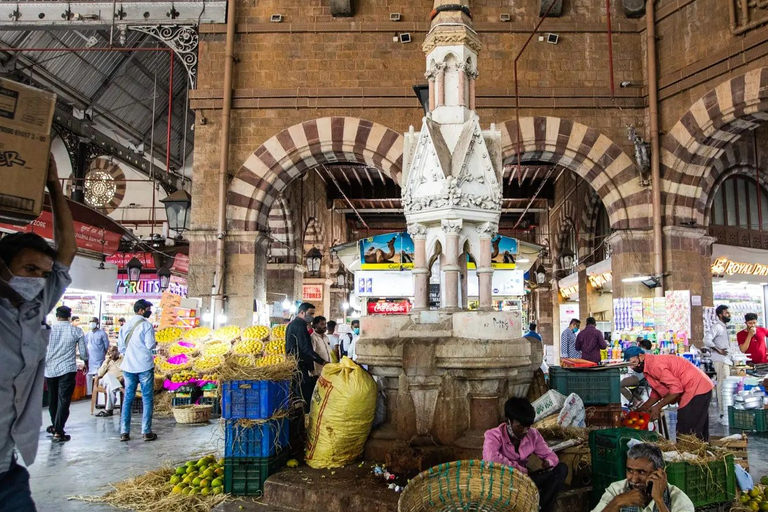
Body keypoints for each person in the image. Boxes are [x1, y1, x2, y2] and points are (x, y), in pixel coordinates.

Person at [0, 154, 76, 512]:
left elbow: (67, 251)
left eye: (42, 274)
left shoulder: (33, 310)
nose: (37, 280)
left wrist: (54, 186)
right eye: (29, 268)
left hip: (6, 471)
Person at [483, 397, 568, 512]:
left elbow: (551, 456)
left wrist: (548, 462)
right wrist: (520, 470)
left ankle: (541, 508)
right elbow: (491, 459)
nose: (524, 431)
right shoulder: (493, 435)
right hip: (503, 483)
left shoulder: (533, 434)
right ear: (509, 421)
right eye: (520, 427)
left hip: (526, 482)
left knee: (561, 469)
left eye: (527, 427)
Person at [624, 346, 714, 441]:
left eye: (633, 363)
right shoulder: (648, 365)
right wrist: (644, 407)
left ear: (641, 357)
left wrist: (658, 407)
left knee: (686, 430)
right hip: (700, 386)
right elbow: (658, 389)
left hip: (696, 388)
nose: (632, 367)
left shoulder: (654, 365)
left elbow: (676, 389)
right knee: (696, 427)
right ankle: (699, 452)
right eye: (630, 365)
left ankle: (690, 453)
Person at [592, 443, 694, 512]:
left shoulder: (679, 500)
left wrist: (659, 500)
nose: (634, 479)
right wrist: (617, 502)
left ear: (659, 473)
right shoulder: (617, 490)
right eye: (630, 470)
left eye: (641, 472)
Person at [45, 305, 87, 442]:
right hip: (67, 369)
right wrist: (86, 362)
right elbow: (84, 352)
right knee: (63, 400)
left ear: (57, 316)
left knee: (52, 400)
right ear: (69, 316)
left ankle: (56, 427)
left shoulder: (48, 330)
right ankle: (58, 430)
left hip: (50, 369)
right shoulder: (76, 331)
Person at [118, 299, 158, 442]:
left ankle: (124, 432)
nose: (149, 311)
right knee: (147, 399)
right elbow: (150, 345)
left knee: (128, 399)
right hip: (144, 366)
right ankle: (146, 431)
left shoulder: (125, 325)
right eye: (148, 309)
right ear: (141, 310)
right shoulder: (146, 325)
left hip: (128, 366)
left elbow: (121, 348)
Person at [286, 302, 326, 412]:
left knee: (298, 396)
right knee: (303, 397)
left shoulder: (294, 324)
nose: (312, 316)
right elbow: (305, 349)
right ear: (302, 312)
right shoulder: (299, 326)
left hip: (296, 364)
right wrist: (322, 361)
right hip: (299, 365)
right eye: (310, 313)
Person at [703, 305, 732, 425]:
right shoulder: (717, 327)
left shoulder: (724, 327)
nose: (729, 314)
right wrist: (718, 350)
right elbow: (706, 339)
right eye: (726, 313)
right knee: (722, 386)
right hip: (721, 360)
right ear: (720, 314)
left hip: (725, 360)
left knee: (724, 385)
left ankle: (724, 411)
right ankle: (722, 412)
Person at [620, 339, 653, 405]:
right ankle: (639, 400)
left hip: (639, 377)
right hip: (646, 379)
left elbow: (632, 347)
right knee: (631, 387)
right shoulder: (651, 354)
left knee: (619, 385)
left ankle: (635, 402)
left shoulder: (641, 352)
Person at [95, 346, 124, 417]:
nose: (113, 353)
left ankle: (109, 410)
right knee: (108, 375)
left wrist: (122, 377)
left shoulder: (123, 359)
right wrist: (107, 362)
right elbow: (99, 374)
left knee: (110, 387)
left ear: (118, 352)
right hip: (105, 380)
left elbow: (126, 371)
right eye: (111, 351)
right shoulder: (107, 361)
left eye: (115, 351)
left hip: (118, 380)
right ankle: (120, 388)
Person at [84, 317, 109, 396]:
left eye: (93, 322)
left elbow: (106, 346)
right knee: (89, 375)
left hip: (99, 357)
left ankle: (99, 392)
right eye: (90, 321)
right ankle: (89, 393)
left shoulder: (102, 333)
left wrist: (102, 354)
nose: (92, 323)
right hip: (90, 358)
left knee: (99, 374)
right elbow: (85, 345)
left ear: (97, 323)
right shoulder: (87, 334)